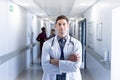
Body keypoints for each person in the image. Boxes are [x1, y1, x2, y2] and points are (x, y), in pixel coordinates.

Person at [41, 15, 82, 80]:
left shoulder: (76, 44)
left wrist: (54, 62)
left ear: (68, 26)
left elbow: (75, 67)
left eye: (64, 24)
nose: (61, 27)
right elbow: (46, 67)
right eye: (59, 24)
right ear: (55, 26)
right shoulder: (47, 44)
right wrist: (67, 62)